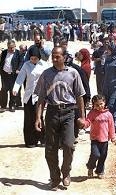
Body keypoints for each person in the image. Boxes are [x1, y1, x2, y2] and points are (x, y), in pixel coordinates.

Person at [34, 46, 86, 191]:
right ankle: (55, 177)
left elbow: (80, 96)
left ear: (64, 57)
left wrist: (82, 117)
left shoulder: (73, 73)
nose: (54, 59)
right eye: (53, 56)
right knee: (50, 148)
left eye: (57, 56)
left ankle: (66, 172)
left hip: (69, 112)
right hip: (52, 112)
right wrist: (38, 118)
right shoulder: (46, 74)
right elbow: (41, 99)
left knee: (69, 145)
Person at [13, 46, 50, 148]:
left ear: (39, 57)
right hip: (29, 95)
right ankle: (30, 141)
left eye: (35, 58)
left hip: (40, 95)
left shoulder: (44, 65)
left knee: (39, 117)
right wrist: (16, 88)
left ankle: (43, 139)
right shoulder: (26, 65)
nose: (33, 60)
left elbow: (49, 78)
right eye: (32, 58)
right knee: (29, 118)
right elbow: (20, 77)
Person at [59, 38, 91, 144]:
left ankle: (74, 136)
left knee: (75, 117)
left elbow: (85, 84)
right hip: (63, 98)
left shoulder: (77, 70)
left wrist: (87, 97)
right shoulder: (58, 69)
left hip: (75, 97)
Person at [77, 94, 116, 178]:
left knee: (103, 156)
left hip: (105, 139)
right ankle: (90, 167)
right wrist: (83, 124)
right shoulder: (92, 113)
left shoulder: (108, 114)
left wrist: (113, 137)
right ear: (93, 105)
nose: (99, 106)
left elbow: (111, 126)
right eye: (97, 105)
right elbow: (88, 122)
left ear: (104, 103)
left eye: (101, 104)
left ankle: (100, 171)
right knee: (95, 154)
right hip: (95, 138)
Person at [0, 40, 21, 112]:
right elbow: (2, 62)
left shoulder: (18, 53)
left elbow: (21, 62)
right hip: (5, 74)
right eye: (9, 47)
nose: (10, 49)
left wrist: (18, 69)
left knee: (13, 90)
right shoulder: (4, 52)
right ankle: (3, 106)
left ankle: (12, 105)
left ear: (15, 46)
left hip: (14, 75)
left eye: (12, 48)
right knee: (4, 90)